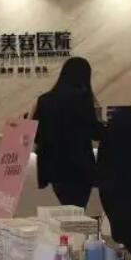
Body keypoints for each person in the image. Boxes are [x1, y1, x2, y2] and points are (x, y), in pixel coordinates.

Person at [32, 57, 105, 208]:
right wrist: (100, 120)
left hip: (54, 168)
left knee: (67, 208)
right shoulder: (83, 99)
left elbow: (37, 135)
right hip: (79, 167)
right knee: (78, 209)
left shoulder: (44, 100)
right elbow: (95, 133)